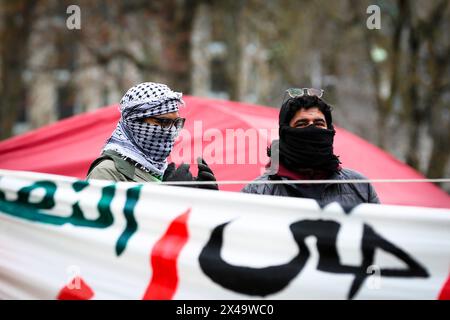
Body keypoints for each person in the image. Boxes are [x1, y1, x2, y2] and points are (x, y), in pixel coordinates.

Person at [242, 88, 379, 208]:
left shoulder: (360, 187)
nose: (312, 128)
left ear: (330, 130)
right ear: (285, 133)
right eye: (302, 123)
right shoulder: (257, 192)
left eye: (319, 123)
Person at [87, 81, 217, 190]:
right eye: (164, 122)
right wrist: (172, 197)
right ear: (134, 123)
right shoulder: (106, 172)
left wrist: (205, 202)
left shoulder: (161, 171)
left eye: (176, 123)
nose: (171, 130)